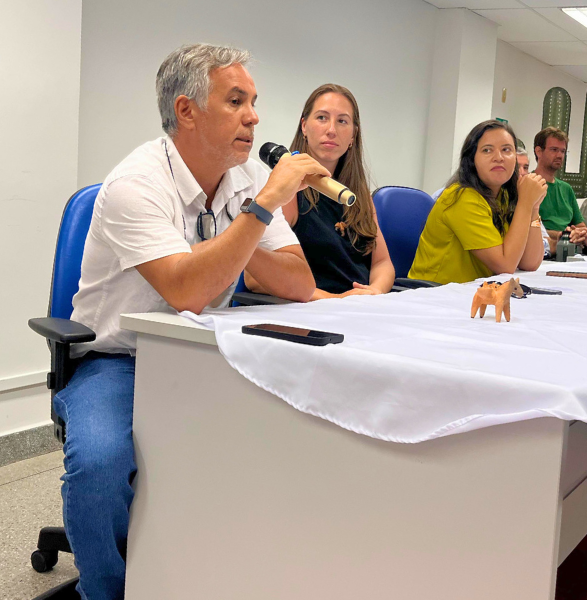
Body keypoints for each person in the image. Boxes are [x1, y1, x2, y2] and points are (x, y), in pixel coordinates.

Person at [60, 43, 324, 600]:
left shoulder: (245, 177)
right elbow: (187, 292)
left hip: (206, 352)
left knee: (282, 438)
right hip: (120, 358)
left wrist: (238, 226)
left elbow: (299, 284)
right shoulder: (136, 183)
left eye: (254, 101)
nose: (255, 116)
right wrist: (257, 214)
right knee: (101, 465)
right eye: (236, 101)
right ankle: (105, 591)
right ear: (187, 111)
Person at [245, 83, 395, 299]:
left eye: (342, 121)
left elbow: (382, 263)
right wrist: (335, 300)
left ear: (353, 135)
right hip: (309, 310)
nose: (331, 130)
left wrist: (375, 291)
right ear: (304, 126)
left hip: (358, 311)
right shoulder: (287, 190)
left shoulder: (358, 196)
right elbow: (256, 279)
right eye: (322, 118)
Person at [408, 120, 548, 284]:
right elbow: (505, 266)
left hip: (472, 293)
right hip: (434, 294)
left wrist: (534, 207)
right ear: (472, 160)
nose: (499, 158)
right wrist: (525, 203)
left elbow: (530, 263)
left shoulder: (504, 196)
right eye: (487, 150)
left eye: (506, 150)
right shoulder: (461, 197)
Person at [532, 126, 587, 254]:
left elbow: (581, 226)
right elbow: (529, 229)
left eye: (563, 151)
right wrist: (564, 235)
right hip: (541, 253)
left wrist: (579, 233)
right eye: (554, 150)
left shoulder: (566, 189)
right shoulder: (529, 184)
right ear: (538, 151)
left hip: (569, 252)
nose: (559, 155)